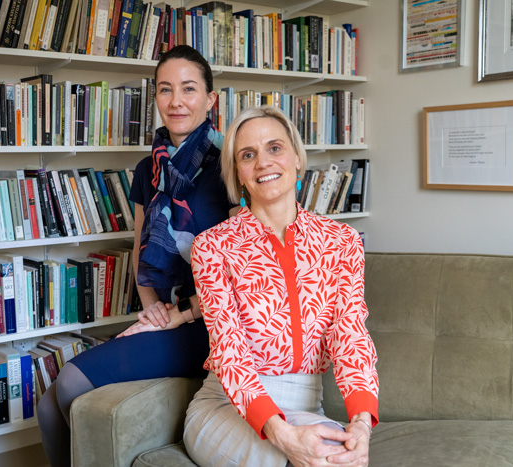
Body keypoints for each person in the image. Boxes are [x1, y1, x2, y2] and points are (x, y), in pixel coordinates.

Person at [37, 45, 237, 467]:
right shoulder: (147, 169)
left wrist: (176, 313)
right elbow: (142, 246)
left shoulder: (232, 166)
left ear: (210, 99)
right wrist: (152, 312)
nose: (176, 101)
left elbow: (244, 268)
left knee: (71, 380)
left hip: (213, 323)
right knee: (47, 405)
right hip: (167, 313)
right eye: (165, 90)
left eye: (188, 89)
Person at [186, 106, 379, 467]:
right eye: (248, 155)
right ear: (238, 174)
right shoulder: (212, 246)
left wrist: (362, 425)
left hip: (307, 405)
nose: (263, 162)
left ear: (296, 158)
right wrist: (282, 435)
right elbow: (229, 350)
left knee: (338, 456)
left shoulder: (342, 241)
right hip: (227, 406)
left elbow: (350, 335)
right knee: (302, 459)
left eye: (274, 148)